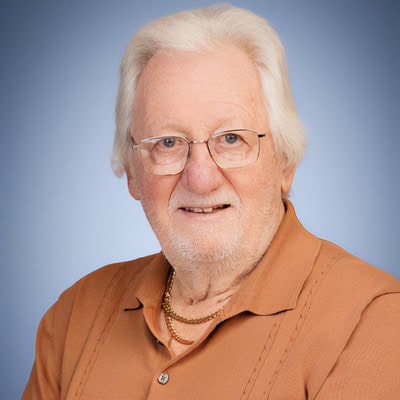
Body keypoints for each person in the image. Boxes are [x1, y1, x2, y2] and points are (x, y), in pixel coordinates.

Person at [23, 4, 400, 399]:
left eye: (231, 138)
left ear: (285, 162)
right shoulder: (75, 315)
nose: (200, 178)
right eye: (167, 143)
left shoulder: (371, 321)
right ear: (132, 172)